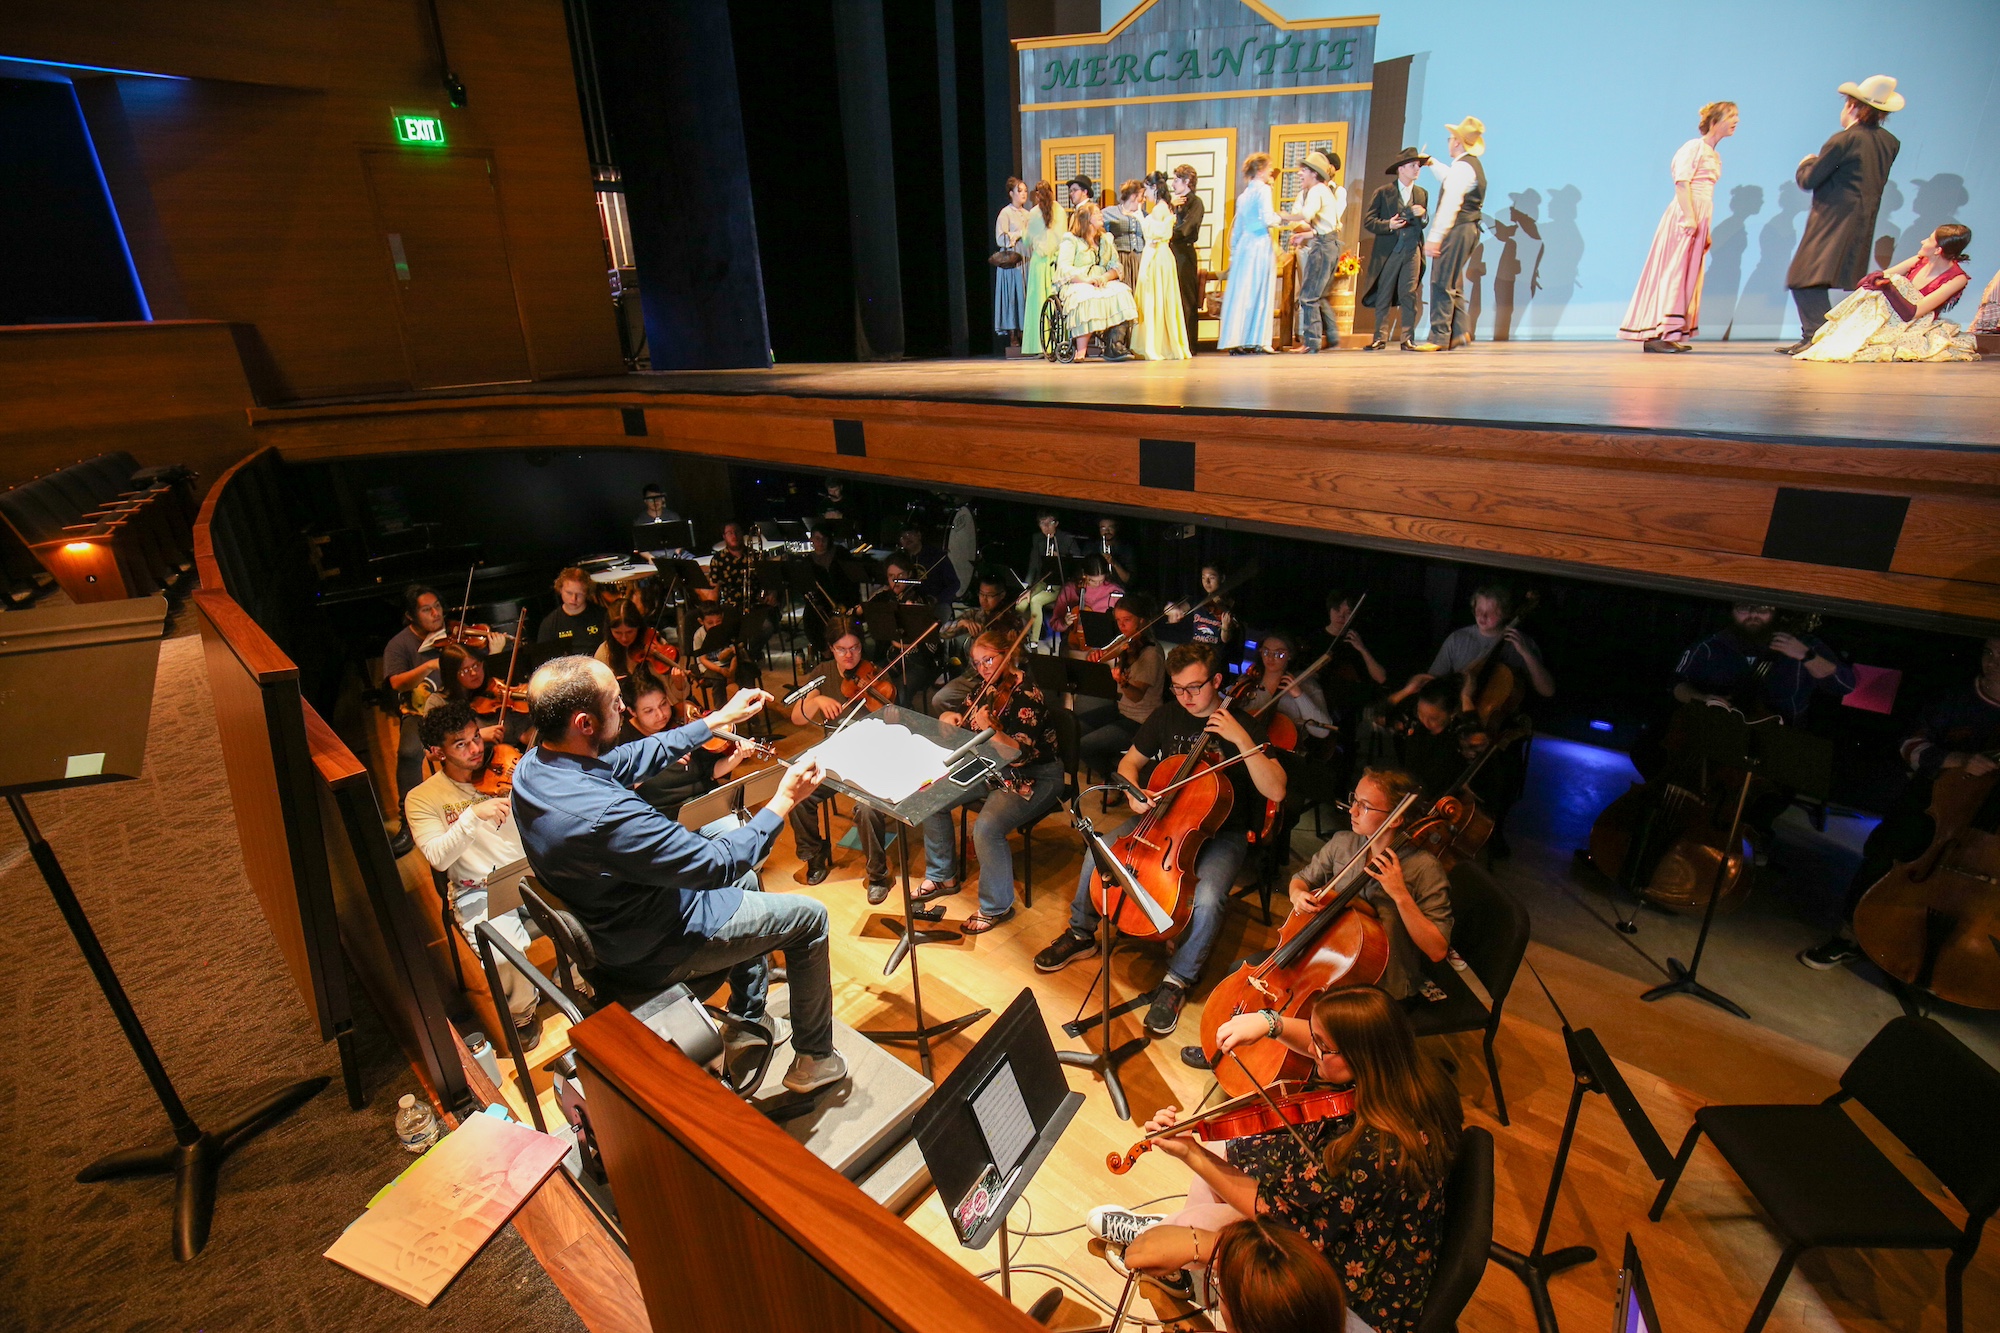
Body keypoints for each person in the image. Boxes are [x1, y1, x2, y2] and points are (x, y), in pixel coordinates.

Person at [510, 657, 847, 1094]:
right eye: (616, 703)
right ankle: (816, 1059)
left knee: (745, 885)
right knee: (810, 919)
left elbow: (629, 758)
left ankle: (747, 1019)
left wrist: (717, 721)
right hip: (656, 943)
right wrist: (782, 801)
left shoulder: (535, 767)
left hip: (616, 923)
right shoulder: (607, 814)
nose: (623, 711)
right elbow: (714, 864)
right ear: (584, 723)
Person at [1091, 986, 1462, 1333]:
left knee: (1200, 1216)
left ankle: (1178, 1252)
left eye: (1321, 1047)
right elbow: (1332, 1042)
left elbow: (1278, 1214)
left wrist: (1190, 1153)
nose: (1311, 1049)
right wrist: (1273, 1022)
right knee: (1225, 1149)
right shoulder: (1410, 1073)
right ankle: (1178, 1260)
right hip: (1353, 1212)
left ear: (1362, 1055)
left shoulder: (1374, 1150)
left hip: (1356, 1288)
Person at [1036, 643, 1288, 1036]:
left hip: (1221, 831)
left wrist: (1241, 739)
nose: (1186, 698)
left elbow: (1276, 790)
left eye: (1195, 688)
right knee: (1099, 853)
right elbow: (1129, 763)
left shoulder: (1244, 725)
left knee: (1206, 899)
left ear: (1217, 681)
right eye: (1178, 688)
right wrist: (1136, 792)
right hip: (1162, 819)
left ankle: (1178, 980)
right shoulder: (1168, 715)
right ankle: (1081, 933)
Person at [1800, 636, 2000, 971]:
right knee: (1886, 857)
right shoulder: (1952, 698)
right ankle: (1849, 937)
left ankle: (1924, 952)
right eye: (1990, 653)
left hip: (1985, 823)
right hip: (1930, 806)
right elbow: (1909, 743)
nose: (1993, 663)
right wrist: (1957, 759)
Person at [406, 699, 543, 1049]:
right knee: (501, 953)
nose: (476, 750)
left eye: (475, 738)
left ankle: (581, 978)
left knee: (591, 899)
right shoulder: (422, 798)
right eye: (461, 744)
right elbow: (437, 857)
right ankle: (523, 1014)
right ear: (436, 752)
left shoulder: (506, 768)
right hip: (478, 888)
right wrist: (471, 817)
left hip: (528, 871)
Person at [913, 630, 1067, 931]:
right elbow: (965, 718)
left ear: (1008, 655)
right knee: (930, 796)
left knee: (986, 828)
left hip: (1036, 775)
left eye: (989, 659)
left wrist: (989, 728)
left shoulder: (1028, 694)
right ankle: (943, 874)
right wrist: (950, 720)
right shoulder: (987, 687)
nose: (984, 668)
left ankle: (996, 907)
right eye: (978, 662)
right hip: (991, 766)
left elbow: (1018, 754)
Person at [1294, 769, 1452, 1001]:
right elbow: (1302, 879)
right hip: (1331, 958)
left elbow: (1437, 950)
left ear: (1396, 818)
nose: (1353, 810)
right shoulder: (1344, 843)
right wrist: (1297, 894)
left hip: (1383, 984)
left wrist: (1400, 895)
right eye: (1354, 800)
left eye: (1365, 806)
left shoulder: (1424, 868)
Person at [1780, 75, 1903, 354]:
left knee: (1804, 277)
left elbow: (1810, 179)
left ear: (1852, 106)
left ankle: (1818, 336)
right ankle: (1813, 335)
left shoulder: (1844, 140)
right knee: (1812, 277)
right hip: (1861, 219)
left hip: (1833, 218)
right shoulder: (1889, 142)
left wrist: (1806, 163)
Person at [1621, 101, 1738, 352]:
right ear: (1715, 120)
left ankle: (1667, 332)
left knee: (1685, 275)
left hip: (1700, 213)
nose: (1735, 121)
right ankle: (1655, 334)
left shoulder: (1713, 153)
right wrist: (1689, 217)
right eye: (1731, 116)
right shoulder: (1694, 147)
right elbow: (1682, 182)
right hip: (1686, 213)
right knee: (1673, 271)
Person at [786, 629, 893, 901]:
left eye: (855, 648)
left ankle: (878, 874)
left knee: (867, 809)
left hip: (872, 756)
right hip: (834, 755)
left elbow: (893, 719)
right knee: (796, 790)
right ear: (831, 649)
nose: (849, 655)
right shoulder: (822, 672)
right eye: (842, 649)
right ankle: (814, 854)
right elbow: (797, 718)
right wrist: (817, 700)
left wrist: (886, 710)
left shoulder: (876, 674)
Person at [1794, 225, 1978, 362]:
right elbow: (1865, 285)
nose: (1923, 241)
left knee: (1897, 282)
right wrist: (1879, 281)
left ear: (1938, 250)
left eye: (1929, 239)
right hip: (1889, 315)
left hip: (1913, 323)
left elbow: (1912, 313)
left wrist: (1888, 287)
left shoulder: (1956, 278)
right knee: (1892, 281)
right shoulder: (1919, 260)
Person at [1673, 602, 1855, 725]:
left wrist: (1806, 656)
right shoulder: (1709, 647)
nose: (1753, 614)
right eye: (1744, 608)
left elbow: (1844, 685)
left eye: (1762, 608)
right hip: (1717, 732)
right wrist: (1703, 699)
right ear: (1732, 611)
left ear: (1775, 611)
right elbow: (1676, 685)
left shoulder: (1804, 643)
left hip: (1783, 741)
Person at [614, 671, 750, 818]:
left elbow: (710, 770)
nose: (661, 715)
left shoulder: (682, 717)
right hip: (664, 816)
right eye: (649, 711)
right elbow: (622, 789)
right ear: (632, 711)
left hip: (705, 802)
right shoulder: (623, 742)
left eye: (663, 704)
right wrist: (659, 759)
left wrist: (737, 757)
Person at [1410, 117, 1487, 353]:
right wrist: (1432, 163)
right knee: (1453, 281)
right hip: (1468, 229)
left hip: (1458, 228)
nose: (1449, 142)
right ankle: (1460, 331)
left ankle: (1440, 337)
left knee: (1441, 280)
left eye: (1451, 138)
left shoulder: (1463, 168)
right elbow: (1449, 179)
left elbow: (1450, 203)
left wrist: (1435, 236)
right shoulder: (1467, 166)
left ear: (1457, 143)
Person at [1077, 596, 1165, 779]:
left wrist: (1122, 682)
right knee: (1075, 726)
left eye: (1127, 620)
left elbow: (1136, 696)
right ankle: (1114, 761)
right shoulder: (1126, 640)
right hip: (1122, 709)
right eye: (1118, 621)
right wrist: (1097, 655)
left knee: (1085, 745)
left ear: (1141, 620)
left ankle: (1113, 778)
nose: (1122, 626)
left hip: (1141, 720)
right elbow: (1107, 652)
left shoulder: (1151, 654)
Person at [385, 584, 449, 821]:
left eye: (438, 606)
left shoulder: (455, 634)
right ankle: (409, 819)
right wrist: (428, 666)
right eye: (426, 610)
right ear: (411, 615)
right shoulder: (399, 644)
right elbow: (397, 683)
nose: (436, 614)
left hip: (457, 707)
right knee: (409, 753)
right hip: (419, 712)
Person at [1361, 148, 1429, 350]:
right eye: (1413, 165)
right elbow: (1369, 221)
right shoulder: (1384, 193)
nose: (1417, 169)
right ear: (1401, 169)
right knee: (1384, 292)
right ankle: (1379, 337)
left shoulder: (1421, 193)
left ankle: (1407, 338)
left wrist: (1423, 214)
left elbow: (1423, 223)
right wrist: (1388, 225)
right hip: (1390, 250)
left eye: (1418, 166)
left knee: (1409, 293)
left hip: (1412, 249)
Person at [1055, 203, 1138, 362]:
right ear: (1087, 219)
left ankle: (1114, 345)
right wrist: (1085, 279)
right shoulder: (1071, 240)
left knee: (1122, 292)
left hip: (1101, 281)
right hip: (1077, 282)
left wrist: (1105, 277)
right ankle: (1081, 350)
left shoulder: (1106, 239)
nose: (1101, 216)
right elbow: (1064, 268)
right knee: (1086, 297)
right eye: (1097, 214)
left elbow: (1116, 265)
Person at [1218, 154, 1281, 355]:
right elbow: (1267, 218)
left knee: (1243, 292)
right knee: (1260, 291)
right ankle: (1257, 339)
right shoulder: (1263, 190)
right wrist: (1283, 218)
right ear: (1261, 170)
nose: (1271, 172)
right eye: (1269, 168)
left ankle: (1239, 338)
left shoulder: (1244, 195)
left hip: (1246, 245)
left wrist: (1234, 253)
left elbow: (1238, 228)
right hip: (1259, 243)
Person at [1284, 150, 1345, 354]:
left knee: (1309, 296)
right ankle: (1316, 340)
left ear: (1314, 173)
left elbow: (1307, 214)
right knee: (1315, 295)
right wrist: (1305, 236)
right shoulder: (1322, 190)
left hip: (1324, 247)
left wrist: (1283, 216)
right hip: (1327, 243)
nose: (1300, 173)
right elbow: (1325, 226)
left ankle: (1311, 342)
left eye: (1305, 170)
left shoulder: (1317, 191)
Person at [1133, 171, 1192, 361]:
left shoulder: (1159, 209)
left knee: (1154, 299)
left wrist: (1140, 218)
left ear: (1155, 188)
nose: (1145, 194)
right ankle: (1162, 342)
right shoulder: (1164, 207)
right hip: (1161, 254)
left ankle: (1155, 345)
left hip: (1157, 255)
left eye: (1147, 189)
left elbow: (1154, 235)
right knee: (1159, 299)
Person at [1022, 181, 1065, 358]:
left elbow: (1026, 240)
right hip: (1056, 262)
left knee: (1038, 303)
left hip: (1039, 263)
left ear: (1037, 195)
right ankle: (1059, 342)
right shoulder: (1060, 211)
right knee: (1057, 304)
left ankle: (1040, 345)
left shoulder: (1033, 214)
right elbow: (1064, 238)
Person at [1024, 510, 1085, 638]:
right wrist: (1027, 587)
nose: (1046, 527)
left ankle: (1034, 640)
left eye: (1050, 523)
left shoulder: (1067, 539)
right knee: (1021, 603)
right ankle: (1030, 630)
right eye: (1042, 523)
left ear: (1056, 523)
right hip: (1042, 581)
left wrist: (1059, 557)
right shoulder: (1037, 538)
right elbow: (1033, 563)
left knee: (1035, 601)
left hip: (1061, 583)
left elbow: (1077, 561)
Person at [1171, 164, 1206, 352]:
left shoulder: (1195, 203)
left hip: (1184, 253)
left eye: (1176, 179)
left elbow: (1185, 229)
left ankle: (1189, 344)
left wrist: (1165, 229)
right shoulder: (1174, 203)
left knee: (1186, 298)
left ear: (1186, 182)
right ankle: (1175, 342)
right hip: (1172, 251)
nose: (1173, 183)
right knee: (1173, 297)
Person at [994, 177, 1030, 345]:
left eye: (1025, 191)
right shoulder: (1005, 213)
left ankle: (1025, 330)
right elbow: (1001, 237)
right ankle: (1013, 333)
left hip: (1026, 257)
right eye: (1019, 190)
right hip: (1013, 258)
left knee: (1024, 292)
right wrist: (1017, 235)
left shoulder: (1028, 214)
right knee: (1012, 294)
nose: (1023, 194)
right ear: (1011, 193)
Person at [537, 567, 606, 653]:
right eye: (569, 593)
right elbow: (545, 660)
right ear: (560, 589)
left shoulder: (603, 616)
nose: (574, 599)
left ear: (587, 593)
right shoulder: (549, 624)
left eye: (580, 594)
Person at [1104, 178, 1147, 290]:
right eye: (1141, 196)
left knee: (1140, 289)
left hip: (1140, 258)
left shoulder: (1144, 215)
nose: (1144, 200)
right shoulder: (1110, 212)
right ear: (1133, 196)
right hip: (1121, 256)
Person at [634, 482, 682, 551]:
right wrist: (650, 558)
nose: (655, 502)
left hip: (677, 555)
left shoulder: (673, 516)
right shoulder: (640, 521)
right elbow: (640, 547)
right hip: (655, 558)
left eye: (658, 498)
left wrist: (676, 555)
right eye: (651, 499)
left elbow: (680, 540)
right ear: (645, 501)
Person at [1093, 516, 1137, 586]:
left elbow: (1129, 580)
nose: (1107, 531)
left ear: (1116, 528)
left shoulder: (1126, 549)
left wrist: (1114, 563)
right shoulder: (1092, 547)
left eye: (1111, 527)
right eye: (1103, 528)